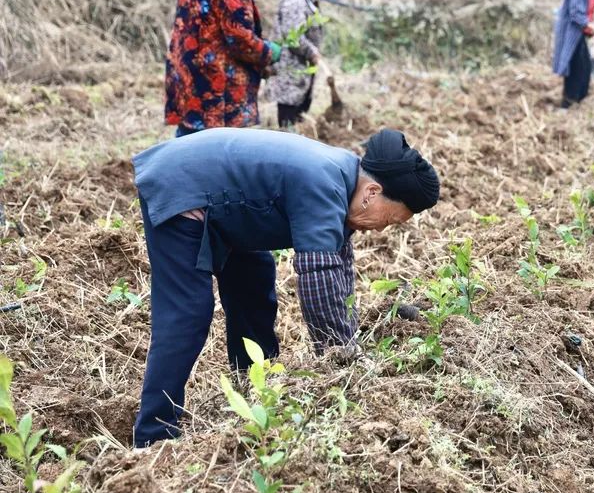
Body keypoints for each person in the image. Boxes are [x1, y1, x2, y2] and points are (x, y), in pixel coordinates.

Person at [131, 128, 439, 447]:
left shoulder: (345, 182)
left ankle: (254, 390)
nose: (381, 230)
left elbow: (339, 271)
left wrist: (351, 344)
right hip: (183, 187)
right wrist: (339, 361)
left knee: (255, 286)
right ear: (372, 192)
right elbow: (318, 278)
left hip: (229, 205)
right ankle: (154, 436)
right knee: (187, 313)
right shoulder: (324, 183)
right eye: (389, 220)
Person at [164, 0, 282, 136]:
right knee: (218, 146)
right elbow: (240, 40)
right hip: (218, 86)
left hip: (189, 77)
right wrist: (268, 51)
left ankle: (176, 168)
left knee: (188, 137)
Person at [269, 0, 333, 127]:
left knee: (298, 116)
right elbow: (293, 37)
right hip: (291, 69)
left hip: (301, 70)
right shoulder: (294, 0)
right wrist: (313, 53)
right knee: (289, 117)